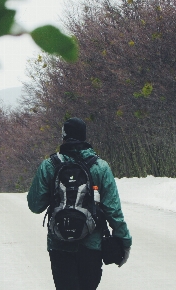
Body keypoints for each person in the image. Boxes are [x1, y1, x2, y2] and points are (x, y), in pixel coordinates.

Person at [27, 117, 132, 290]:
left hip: (59, 245)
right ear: (84, 137)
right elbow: (113, 210)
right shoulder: (100, 166)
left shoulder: (49, 165)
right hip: (91, 246)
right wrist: (124, 241)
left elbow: (35, 205)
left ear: (64, 137)